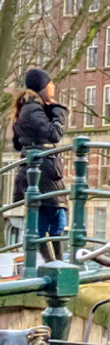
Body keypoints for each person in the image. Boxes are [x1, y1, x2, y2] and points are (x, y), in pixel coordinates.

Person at [11, 68, 68, 257]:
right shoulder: (33, 109)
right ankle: (55, 265)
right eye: (49, 83)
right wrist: (59, 112)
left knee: (53, 220)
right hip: (42, 174)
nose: (53, 85)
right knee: (53, 221)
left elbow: (18, 143)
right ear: (42, 87)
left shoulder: (30, 108)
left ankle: (55, 264)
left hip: (43, 173)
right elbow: (54, 134)